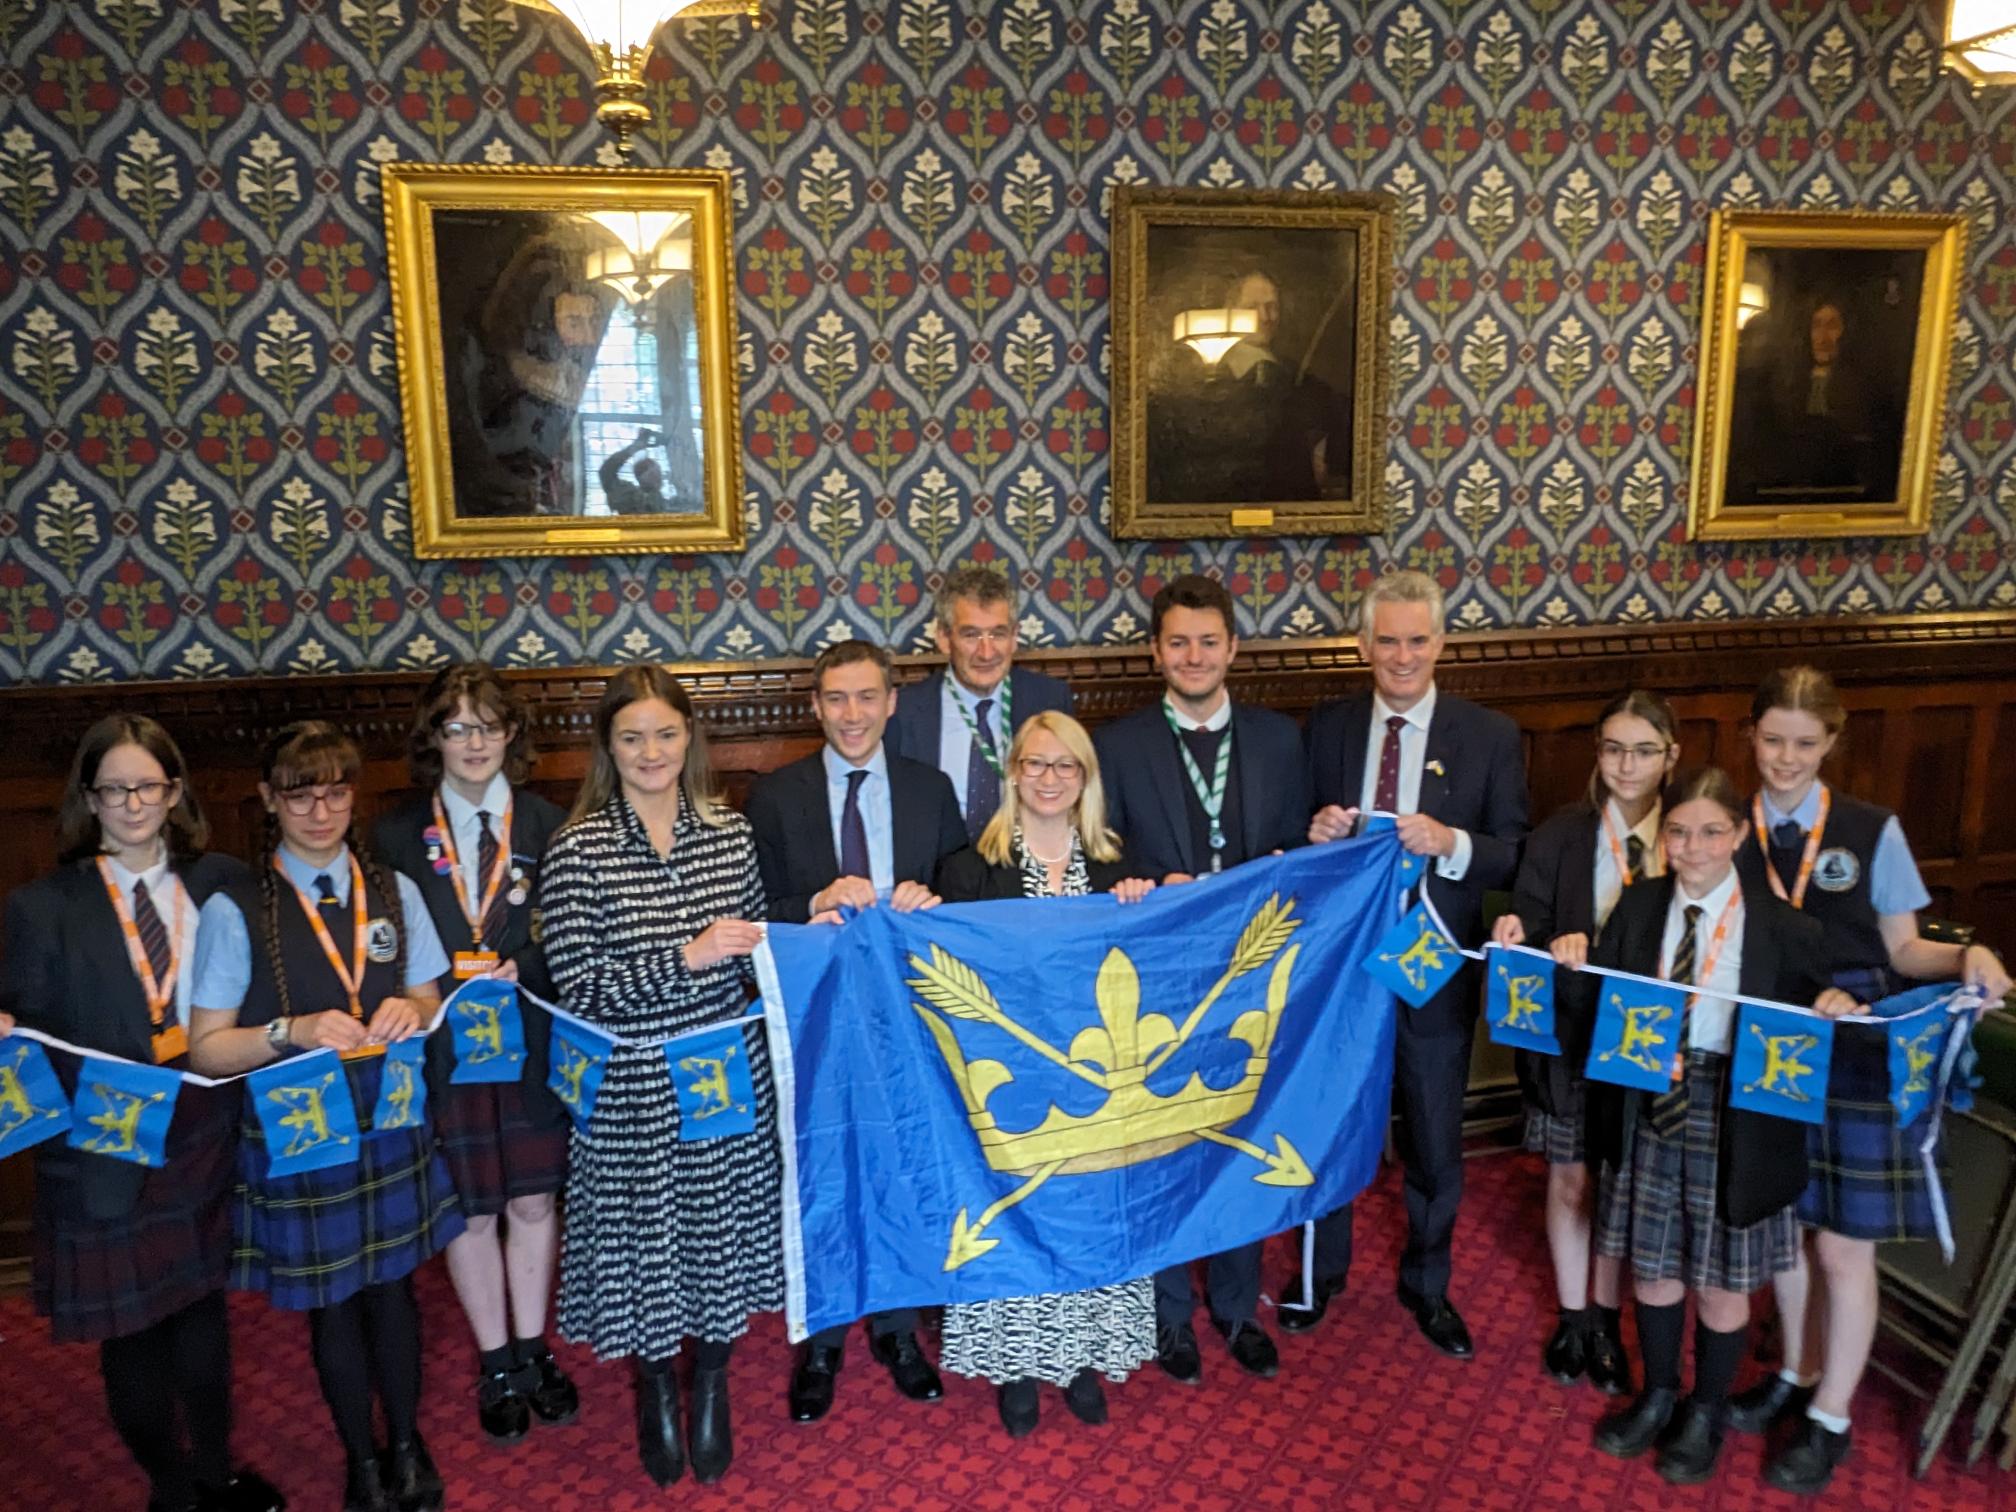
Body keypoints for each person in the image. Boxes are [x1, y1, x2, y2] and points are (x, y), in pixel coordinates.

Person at [1724, 667, 2011, 1493]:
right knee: (1782, 1228)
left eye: (1804, 745)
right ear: (1750, 736)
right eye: (1772, 740)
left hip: (1854, 1045)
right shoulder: (1724, 828)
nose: (1785, 759)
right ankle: (1795, 1373)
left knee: (1846, 1250)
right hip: (1772, 1039)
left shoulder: (1868, 828)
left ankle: (1831, 1417)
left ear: (1832, 744)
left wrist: (1969, 954)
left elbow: (1904, 950)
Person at [0, 716, 284, 1512]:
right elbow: (24, 1027)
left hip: (204, 1133)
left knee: (202, 1323)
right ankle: (169, 1483)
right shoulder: (42, 905)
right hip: (107, 1146)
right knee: (134, 1338)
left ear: (175, 791)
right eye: (113, 788)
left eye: (147, 785)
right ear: (88, 798)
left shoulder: (222, 880)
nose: (131, 803)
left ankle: (218, 1470)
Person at [189, 722, 462, 1512]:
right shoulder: (235, 908)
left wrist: (411, 1012)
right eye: (300, 794)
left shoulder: (396, 889)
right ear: (271, 800)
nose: (319, 810)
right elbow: (208, 1050)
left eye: (335, 791)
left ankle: (406, 1445)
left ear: (353, 795)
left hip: (388, 1120)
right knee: (332, 1301)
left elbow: (427, 997)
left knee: (394, 1294)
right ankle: (360, 1462)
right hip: (301, 1128)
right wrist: (292, 1031)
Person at [537, 665, 781, 1489]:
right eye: (633, 736)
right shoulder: (579, 848)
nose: (652, 752)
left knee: (718, 1241)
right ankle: (654, 1388)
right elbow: (580, 986)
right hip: (632, 1088)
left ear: (690, 738)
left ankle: (709, 1379)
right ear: (608, 745)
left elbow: (756, 963)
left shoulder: (730, 833)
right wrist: (686, 955)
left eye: (666, 734)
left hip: (720, 1076)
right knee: (649, 1249)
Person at [1587, 766, 1853, 1486]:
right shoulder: (1638, 909)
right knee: (1655, 1267)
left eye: (1711, 832)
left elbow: (1807, 1023)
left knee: (1722, 1284)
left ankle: (1705, 1409)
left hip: (1734, 1113)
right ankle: (1659, 1393)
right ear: (1663, 836)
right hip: (1652, 1101)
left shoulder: (1787, 928)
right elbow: (1605, 1007)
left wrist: (1830, 1002)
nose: (1693, 847)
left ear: (1739, 835)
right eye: (1678, 831)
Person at [1293, 570, 1528, 1358]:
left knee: (1433, 1133)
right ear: (1362, 645)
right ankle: (1319, 1276)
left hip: (1432, 968)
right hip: (1341, 970)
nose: (1401, 656)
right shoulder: (1326, 728)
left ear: (1441, 645)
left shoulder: (1489, 735)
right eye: (1386, 640)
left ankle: (1428, 1283)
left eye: (1417, 640)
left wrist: (1450, 842)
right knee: (1329, 1122)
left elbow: (1513, 853)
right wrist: (1317, 830)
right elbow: (1294, 845)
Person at [743, 638, 968, 1422]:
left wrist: (930, 895)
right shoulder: (777, 796)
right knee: (828, 1166)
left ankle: (899, 1331)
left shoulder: (929, 788)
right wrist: (808, 903)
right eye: (836, 699)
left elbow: (963, 883)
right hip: (819, 1020)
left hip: (906, 1015)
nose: (852, 715)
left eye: (866, 697)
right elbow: (754, 910)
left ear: (892, 702)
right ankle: (827, 1340)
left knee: (905, 1160)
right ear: (815, 705)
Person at [1091, 574, 1308, 1384]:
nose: (1192, 656)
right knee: (1165, 1142)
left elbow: (1298, 856)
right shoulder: (1115, 746)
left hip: (1254, 974)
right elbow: (1105, 856)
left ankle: (1235, 1305)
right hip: (1162, 978)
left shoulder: (1283, 740)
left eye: (1207, 642)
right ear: (1155, 651)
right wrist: (1147, 882)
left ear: (1232, 649)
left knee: (1240, 1131)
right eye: (1177, 642)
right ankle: (1169, 1315)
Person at [935, 711, 1159, 1437]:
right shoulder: (969, 869)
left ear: (1086, 778)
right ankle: (1019, 1366)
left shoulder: (1120, 867)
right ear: (1013, 774)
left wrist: (1147, 907)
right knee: (1020, 1211)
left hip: (1102, 1085)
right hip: (1015, 1089)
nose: (1051, 779)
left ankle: (1085, 1356)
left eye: (1067, 766)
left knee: (1092, 1216)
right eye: (1036, 764)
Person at [373, 664, 577, 1446]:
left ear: (512, 736)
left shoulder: (550, 825)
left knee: (530, 1200)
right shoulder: (393, 834)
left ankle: (533, 1349)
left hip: (528, 1040)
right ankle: (494, 1361)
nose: (475, 742)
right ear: (434, 739)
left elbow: (568, 938)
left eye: (489, 726)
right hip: (442, 1051)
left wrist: (519, 965)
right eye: (458, 727)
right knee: (471, 1207)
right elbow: (380, 950)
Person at [1491, 691, 1679, 1396]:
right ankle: (1573, 1316)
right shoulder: (1561, 835)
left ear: (1672, 757)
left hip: (1650, 1040)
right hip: (1570, 1031)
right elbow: (1527, 924)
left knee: (1622, 1183)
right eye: (1612, 748)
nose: (1626, 765)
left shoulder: (1689, 833)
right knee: (1570, 1179)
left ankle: (1606, 1316)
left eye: (1643, 750)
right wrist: (1537, 938)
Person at [886, 566, 1076, 842]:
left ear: (1014, 636)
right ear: (944, 638)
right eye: (971, 635)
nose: (986, 653)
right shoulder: (904, 711)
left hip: (1025, 866)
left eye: (998, 634)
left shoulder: (1049, 700)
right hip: (938, 871)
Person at [599, 428, 671, 514]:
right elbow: (606, 471)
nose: (659, 477)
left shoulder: (666, 505)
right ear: (642, 477)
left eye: (659, 473)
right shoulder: (629, 497)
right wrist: (635, 447)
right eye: (653, 473)